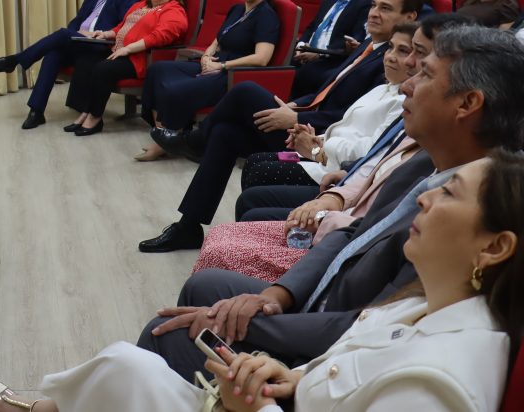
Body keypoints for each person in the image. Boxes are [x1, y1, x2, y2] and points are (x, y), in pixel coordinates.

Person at [0, 149, 522, 412]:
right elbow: (346, 365)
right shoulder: (420, 304)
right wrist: (287, 377)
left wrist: (256, 407)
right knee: (128, 363)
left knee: (139, 361)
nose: (425, 199)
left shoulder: (437, 383)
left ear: (494, 247)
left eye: (448, 194)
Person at [137, 26, 524, 385]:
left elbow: (377, 325)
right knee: (204, 285)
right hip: (324, 299)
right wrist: (278, 294)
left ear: (467, 103)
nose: (407, 85)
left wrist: (243, 322)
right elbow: (354, 232)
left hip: (338, 354)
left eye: (424, 74)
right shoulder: (427, 161)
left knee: (165, 333)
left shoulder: (477, 211)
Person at [142, 0, 423, 252]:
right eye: (373, 5)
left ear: (409, 17)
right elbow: (325, 94)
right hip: (308, 122)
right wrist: (291, 106)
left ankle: (195, 142)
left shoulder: (398, 64)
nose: (374, 13)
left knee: (245, 91)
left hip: (317, 139)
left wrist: (296, 120)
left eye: (385, 8)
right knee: (225, 133)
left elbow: (352, 120)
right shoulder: (370, 46)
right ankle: (188, 226)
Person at [233, 14, 470, 224]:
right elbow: (356, 139)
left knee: (245, 102)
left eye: (411, 52)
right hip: (340, 174)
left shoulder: (410, 106)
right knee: (243, 150)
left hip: (335, 174)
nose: (396, 58)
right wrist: (314, 139)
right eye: (391, 48)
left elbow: (370, 157)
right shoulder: (384, 87)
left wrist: (317, 150)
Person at [136, 0, 279, 161]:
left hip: (234, 74)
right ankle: (164, 134)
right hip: (215, 63)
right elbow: (218, 39)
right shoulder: (237, 9)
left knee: (176, 89)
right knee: (158, 70)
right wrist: (206, 56)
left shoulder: (266, 16)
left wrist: (221, 66)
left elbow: (261, 58)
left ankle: (168, 141)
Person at [0, 0, 139, 129]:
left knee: (62, 34)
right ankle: (36, 112)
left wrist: (99, 33)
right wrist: (76, 33)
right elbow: (76, 22)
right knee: (53, 54)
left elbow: (125, 24)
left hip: (100, 44)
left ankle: (14, 60)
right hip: (80, 41)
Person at [64, 0, 188, 136]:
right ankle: (85, 112)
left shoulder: (174, 11)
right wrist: (106, 34)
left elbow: (158, 37)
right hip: (119, 51)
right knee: (86, 61)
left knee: (102, 69)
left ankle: (95, 117)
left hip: (140, 58)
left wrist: (128, 49)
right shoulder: (141, 5)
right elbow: (121, 27)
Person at [289, 0, 371, 98]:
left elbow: (354, 41)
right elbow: (312, 26)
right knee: (282, 66)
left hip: (333, 59)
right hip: (308, 52)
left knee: (304, 73)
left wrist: (319, 54)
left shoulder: (366, 3)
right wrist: (301, 46)